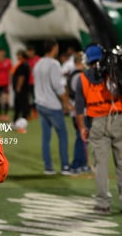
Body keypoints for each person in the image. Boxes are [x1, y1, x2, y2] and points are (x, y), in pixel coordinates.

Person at [75, 44, 122, 214]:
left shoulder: (82, 78)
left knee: (101, 165)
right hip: (118, 118)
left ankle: (103, 204)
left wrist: (82, 128)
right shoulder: (113, 70)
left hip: (97, 123)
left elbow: (79, 109)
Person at [34, 39, 73, 175]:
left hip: (40, 103)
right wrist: (67, 103)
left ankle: (48, 167)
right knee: (63, 135)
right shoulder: (54, 64)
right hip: (52, 105)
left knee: (46, 137)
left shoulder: (38, 63)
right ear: (54, 48)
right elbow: (58, 86)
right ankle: (65, 167)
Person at [67, 51, 90, 174]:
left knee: (83, 138)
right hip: (80, 112)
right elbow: (81, 95)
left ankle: (82, 163)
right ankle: (76, 165)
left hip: (78, 111)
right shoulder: (78, 76)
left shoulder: (74, 74)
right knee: (81, 137)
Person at [11, 49, 30, 132]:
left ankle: (22, 124)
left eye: (19, 55)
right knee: (18, 106)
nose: (18, 57)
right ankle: (16, 121)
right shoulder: (21, 64)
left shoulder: (24, 65)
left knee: (22, 106)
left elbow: (21, 77)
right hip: (20, 89)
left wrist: (18, 87)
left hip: (22, 89)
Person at [26, 45, 40, 119]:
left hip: (36, 82)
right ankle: (28, 114)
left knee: (36, 98)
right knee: (28, 98)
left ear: (33, 52)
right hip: (28, 82)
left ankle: (36, 112)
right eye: (28, 52)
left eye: (30, 51)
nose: (29, 53)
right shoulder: (26, 60)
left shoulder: (38, 59)